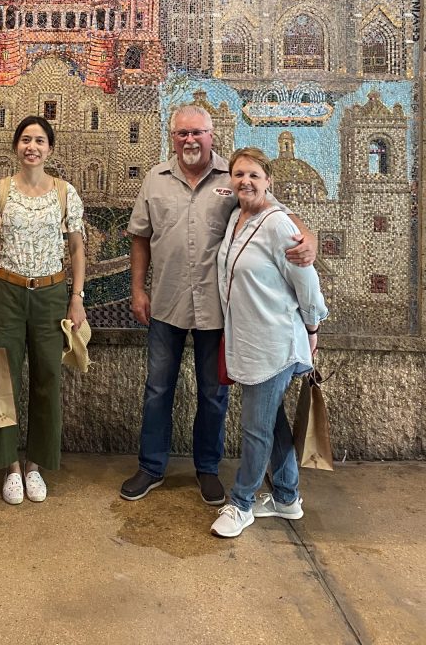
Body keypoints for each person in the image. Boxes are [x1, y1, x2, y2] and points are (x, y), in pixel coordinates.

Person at [120, 104, 316, 507]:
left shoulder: (236, 176)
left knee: (214, 394)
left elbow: (274, 209)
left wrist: (307, 235)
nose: (190, 140)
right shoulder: (155, 180)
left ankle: (207, 468)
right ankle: (151, 466)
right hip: (166, 304)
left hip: (219, 312)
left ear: (212, 135)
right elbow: (140, 237)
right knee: (158, 389)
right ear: (172, 137)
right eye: (182, 134)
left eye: (198, 133)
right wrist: (138, 290)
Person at [210, 147, 327, 538]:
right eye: (239, 174)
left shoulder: (278, 224)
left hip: (275, 342)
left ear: (268, 181)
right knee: (271, 421)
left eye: (254, 176)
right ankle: (287, 497)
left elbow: (307, 281)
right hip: (249, 338)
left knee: (255, 427)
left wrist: (312, 331)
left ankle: (241, 503)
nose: (246, 181)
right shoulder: (237, 218)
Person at [0, 116, 86, 505]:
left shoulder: (64, 193)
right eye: (25, 140)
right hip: (7, 290)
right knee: (3, 378)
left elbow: (75, 247)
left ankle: (36, 465)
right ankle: (9, 467)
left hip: (52, 293)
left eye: (39, 140)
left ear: (49, 148)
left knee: (47, 377)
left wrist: (77, 296)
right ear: (16, 146)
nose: (32, 147)